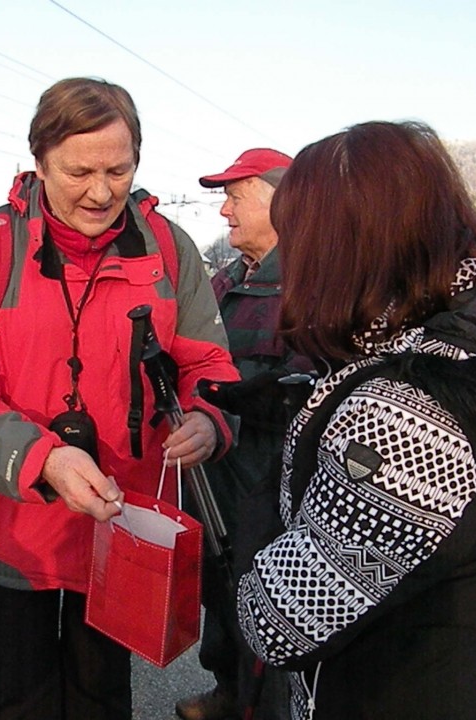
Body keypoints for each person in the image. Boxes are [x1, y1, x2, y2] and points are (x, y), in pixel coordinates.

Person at [235, 121, 476, 719]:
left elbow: (275, 621)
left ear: (343, 247)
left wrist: (255, 505)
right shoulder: (475, 346)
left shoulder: (401, 419)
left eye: (299, 237)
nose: (292, 261)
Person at [0, 77, 240, 720]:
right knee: (17, 696)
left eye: (119, 170)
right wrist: (43, 460)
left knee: (101, 696)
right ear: (37, 163)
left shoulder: (169, 250)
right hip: (16, 523)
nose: (100, 191)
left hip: (121, 524)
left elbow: (210, 365)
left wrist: (208, 418)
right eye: (78, 171)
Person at [175, 148, 298, 720]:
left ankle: (264, 708)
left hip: (270, 486)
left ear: (282, 199)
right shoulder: (223, 283)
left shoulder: (310, 288)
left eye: (235, 195)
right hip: (216, 479)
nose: (223, 211)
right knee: (220, 593)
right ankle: (228, 693)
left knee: (268, 602)